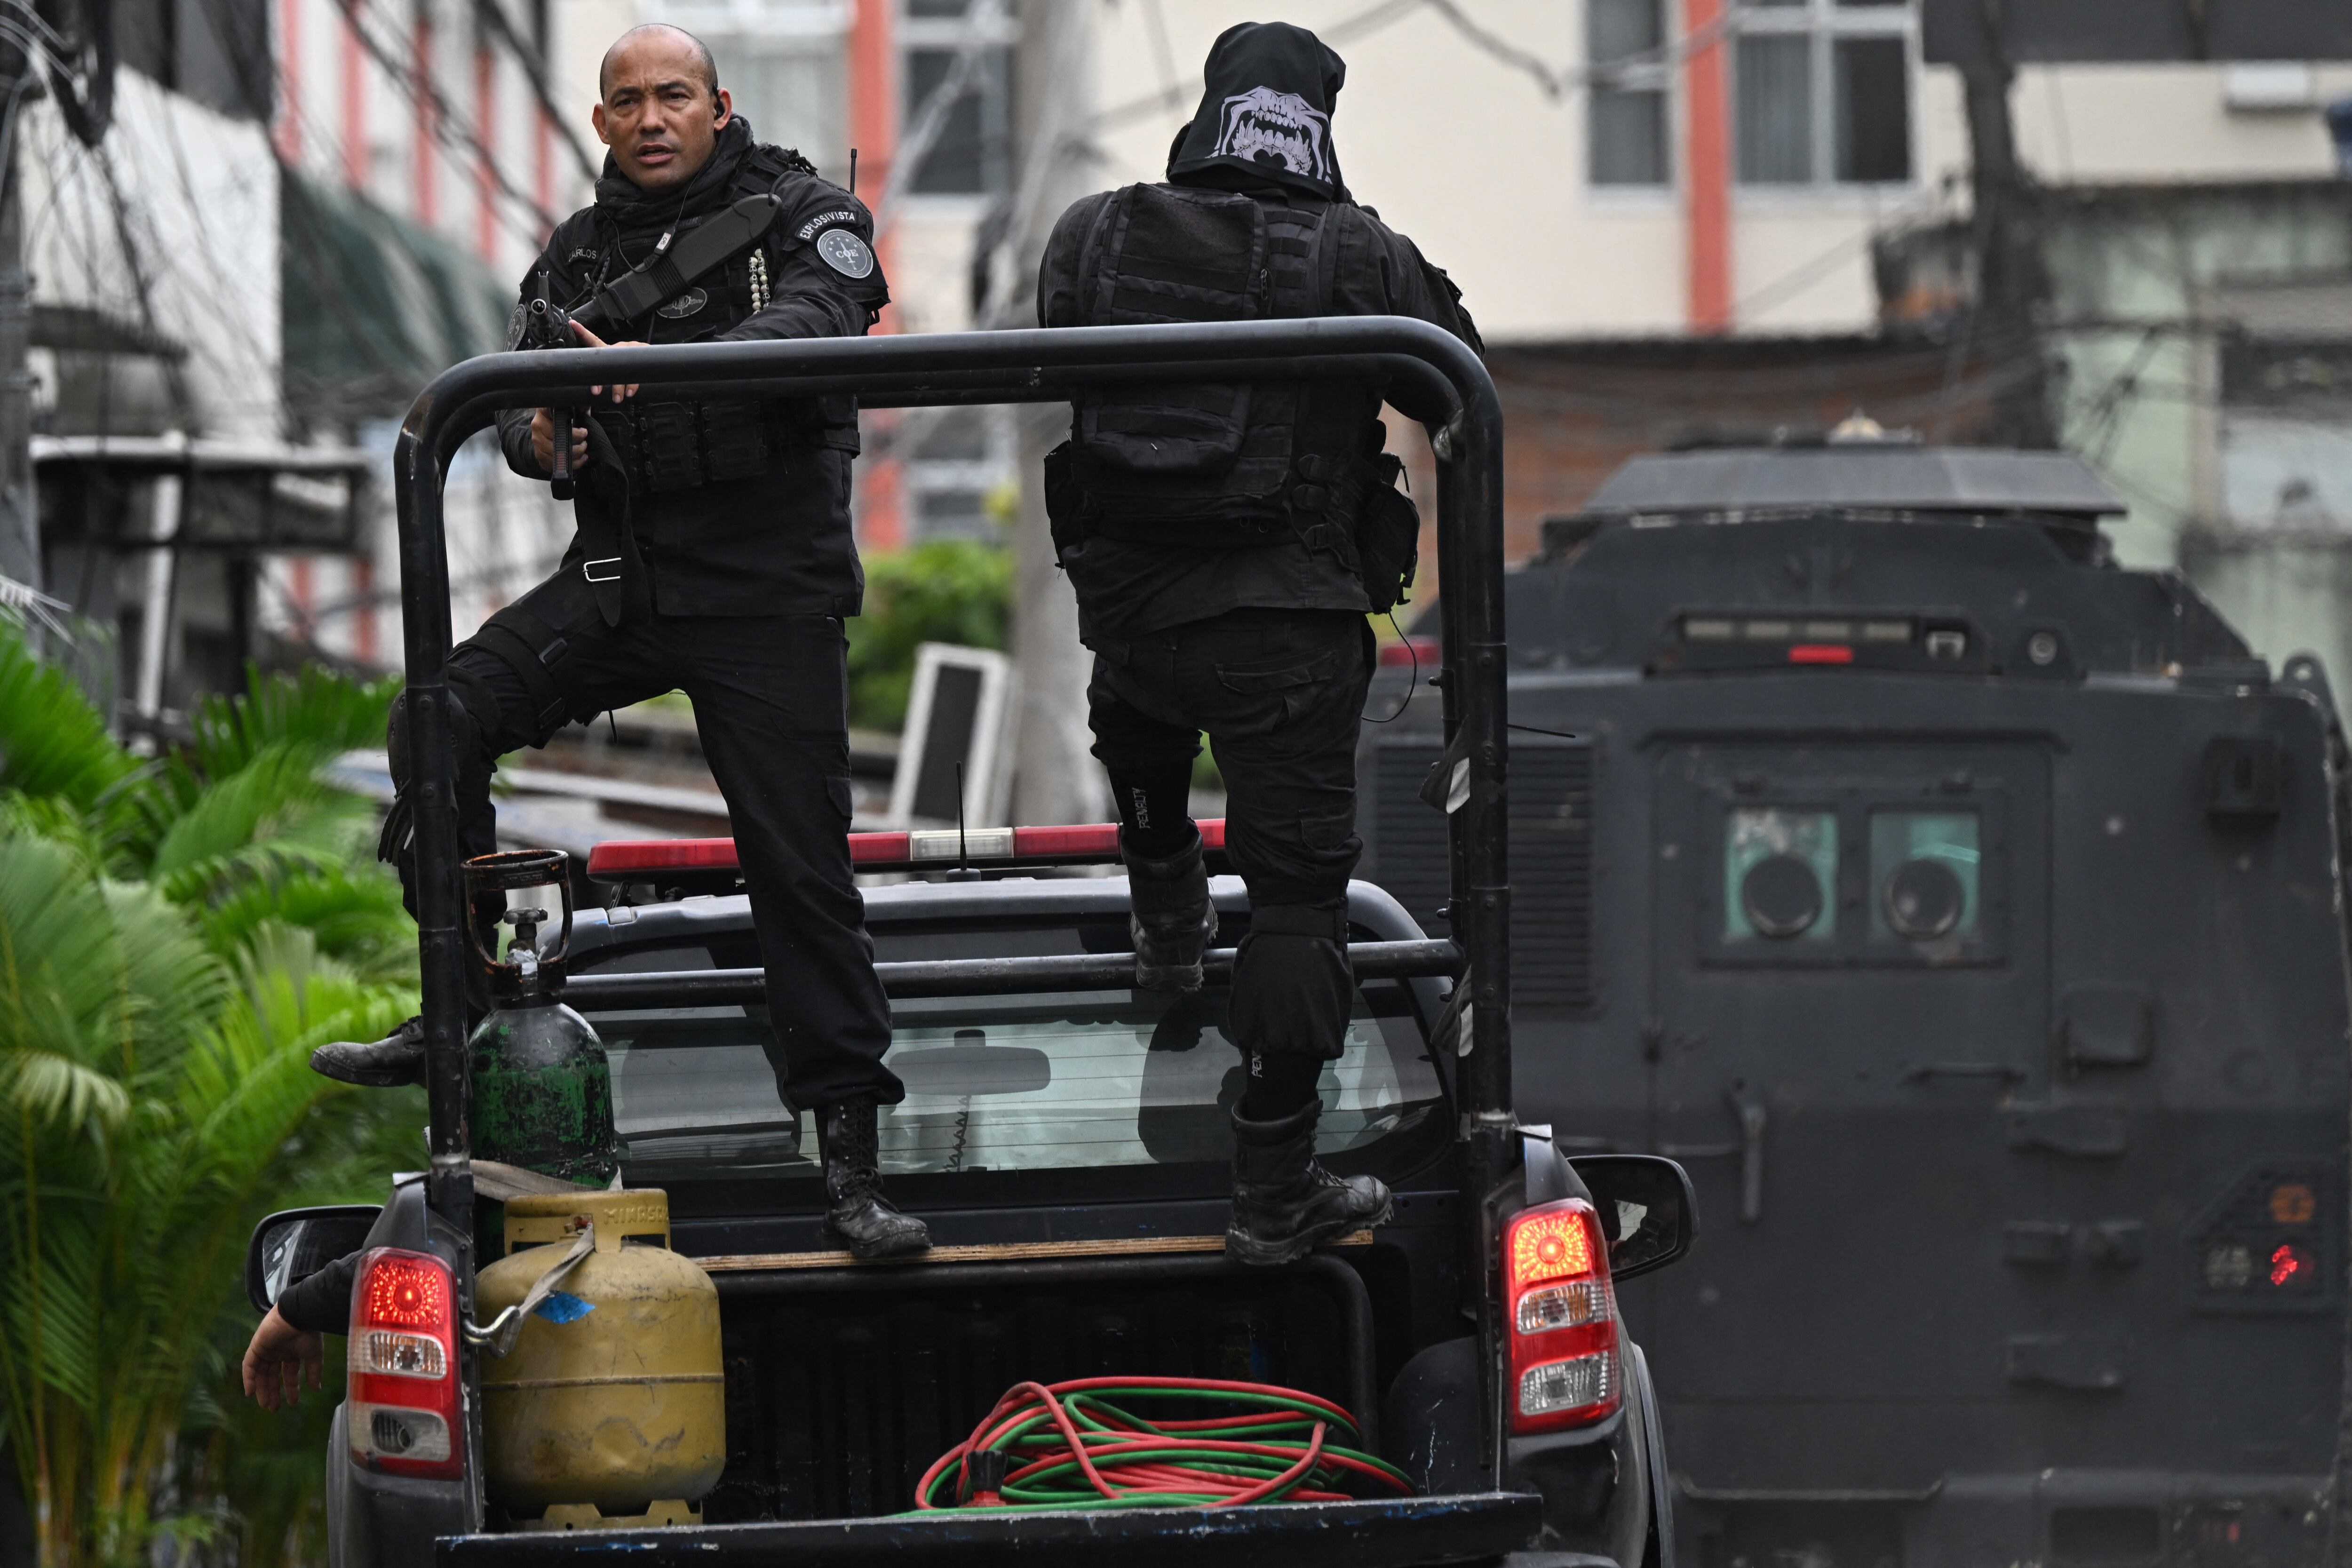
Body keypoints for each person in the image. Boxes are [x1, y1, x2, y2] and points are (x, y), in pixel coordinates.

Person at [312, 23, 926, 1260]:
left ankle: (852, 1169)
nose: (652, 118)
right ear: (601, 123)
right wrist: (554, 436)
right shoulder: (578, 251)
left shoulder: (798, 209)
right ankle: (462, 1018)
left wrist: (674, 368)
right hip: (618, 580)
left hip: (764, 594)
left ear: (718, 104)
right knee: (437, 718)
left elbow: (825, 313)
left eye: (675, 97)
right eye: (629, 101)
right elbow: (518, 417)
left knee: (799, 873)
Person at [1035, 21, 1482, 1266]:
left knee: (1137, 713)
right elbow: (1462, 374)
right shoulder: (1355, 251)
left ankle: (1166, 891)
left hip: (1132, 624)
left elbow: (1058, 347)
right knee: (1298, 900)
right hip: (1283, 632)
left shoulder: (1098, 228)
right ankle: (1273, 1177)